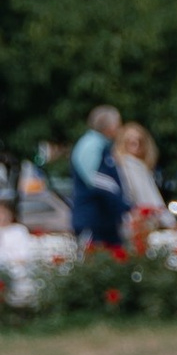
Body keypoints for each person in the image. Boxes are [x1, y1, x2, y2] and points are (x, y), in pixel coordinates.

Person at [68, 105, 124, 251]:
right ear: (110, 126)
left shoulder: (101, 145)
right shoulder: (91, 145)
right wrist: (124, 205)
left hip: (103, 220)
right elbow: (95, 179)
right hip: (92, 219)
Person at [114, 122, 169, 248]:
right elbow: (149, 198)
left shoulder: (129, 166)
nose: (136, 144)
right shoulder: (131, 166)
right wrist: (170, 223)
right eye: (131, 141)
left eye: (139, 141)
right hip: (136, 225)